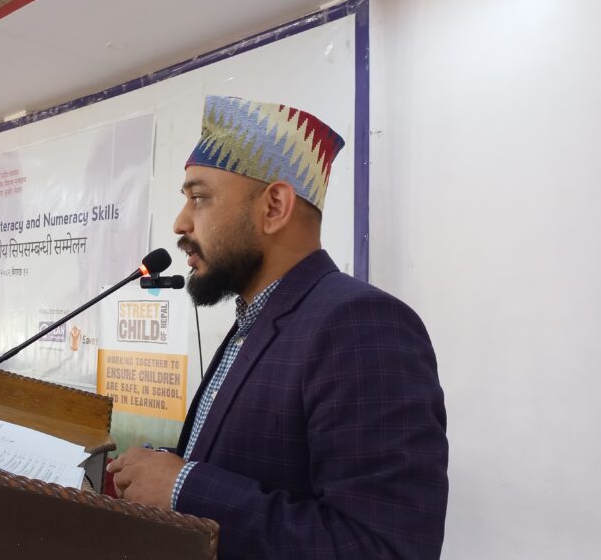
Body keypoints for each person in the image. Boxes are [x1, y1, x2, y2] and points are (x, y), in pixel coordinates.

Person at [107, 96, 449, 560]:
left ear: (274, 207)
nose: (180, 222)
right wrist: (162, 469)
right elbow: (253, 465)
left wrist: (184, 487)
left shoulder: (361, 324)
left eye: (199, 198)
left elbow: (382, 547)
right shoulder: (256, 320)